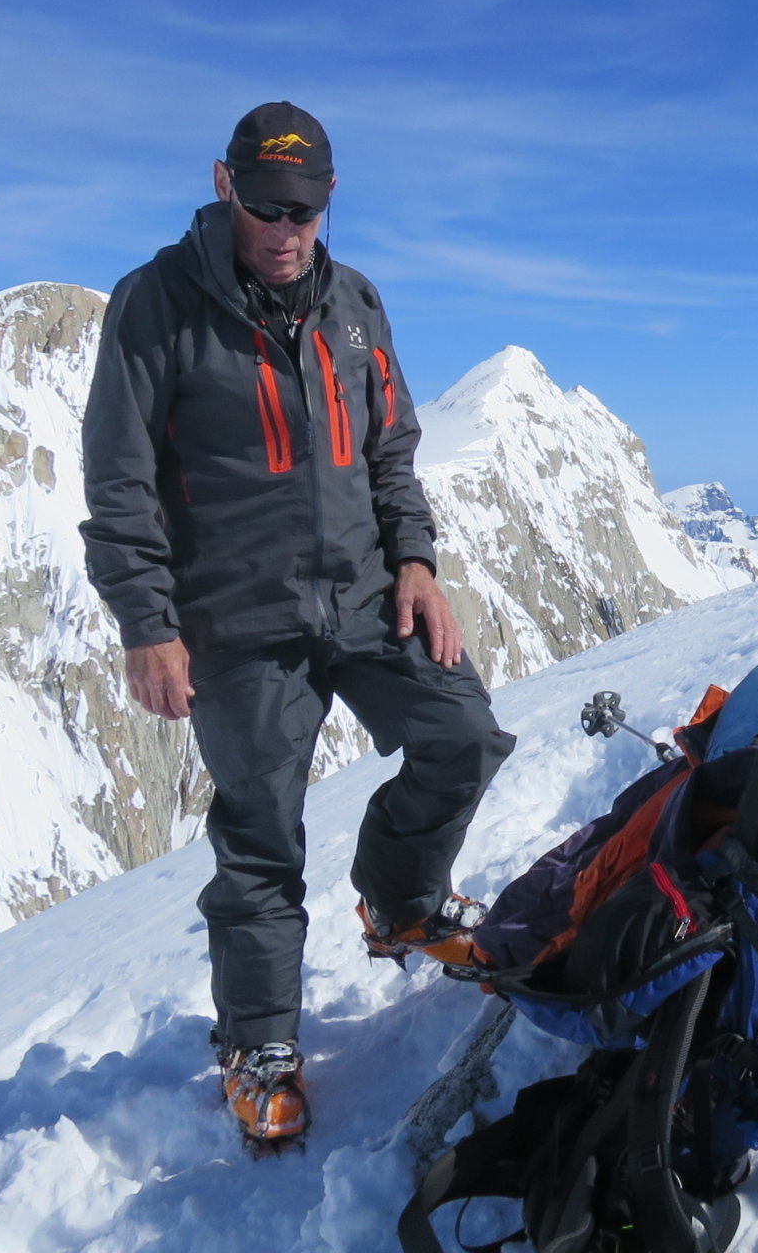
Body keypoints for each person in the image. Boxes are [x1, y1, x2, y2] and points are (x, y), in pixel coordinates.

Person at [81, 102, 517, 1145]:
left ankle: (399, 902)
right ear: (223, 184)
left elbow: (391, 451)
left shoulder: (354, 303)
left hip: (364, 593)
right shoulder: (157, 304)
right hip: (237, 618)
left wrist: (416, 561)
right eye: (268, 207)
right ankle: (258, 1042)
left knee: (463, 732)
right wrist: (148, 623)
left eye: (305, 211)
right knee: (261, 836)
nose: (286, 231)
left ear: (330, 200)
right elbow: (119, 478)